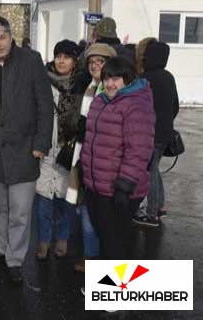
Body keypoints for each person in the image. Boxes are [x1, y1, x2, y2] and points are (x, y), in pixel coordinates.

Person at [0, 16, 53, 284]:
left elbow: (45, 105)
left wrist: (41, 144)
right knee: (0, 207)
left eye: (2, 36)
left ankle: (15, 259)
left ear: (10, 36)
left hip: (25, 151)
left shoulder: (31, 61)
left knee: (20, 211)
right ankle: (1, 247)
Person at [80, 56, 155, 260]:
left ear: (128, 79)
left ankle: (113, 289)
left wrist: (124, 186)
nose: (110, 84)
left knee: (113, 241)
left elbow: (139, 150)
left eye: (116, 79)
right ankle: (109, 287)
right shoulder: (100, 101)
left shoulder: (136, 105)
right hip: (98, 185)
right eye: (106, 78)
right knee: (105, 237)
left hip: (118, 188)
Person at [70, 42, 115, 273]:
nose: (95, 65)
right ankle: (90, 255)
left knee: (105, 216)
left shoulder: (112, 89)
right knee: (86, 209)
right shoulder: (89, 86)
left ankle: (107, 265)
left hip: (107, 162)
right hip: (87, 157)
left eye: (100, 61)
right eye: (91, 62)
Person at [35, 40, 81, 261]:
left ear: (74, 60)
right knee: (43, 200)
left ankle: (62, 238)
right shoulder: (43, 80)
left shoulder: (81, 84)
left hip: (69, 152)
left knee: (66, 200)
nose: (61, 60)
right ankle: (43, 241)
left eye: (67, 56)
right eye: (58, 56)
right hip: (45, 149)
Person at [133, 39, 179, 227]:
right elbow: (175, 106)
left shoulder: (145, 79)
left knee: (149, 171)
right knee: (154, 169)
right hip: (164, 134)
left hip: (150, 134)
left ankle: (151, 214)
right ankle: (159, 207)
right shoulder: (169, 76)